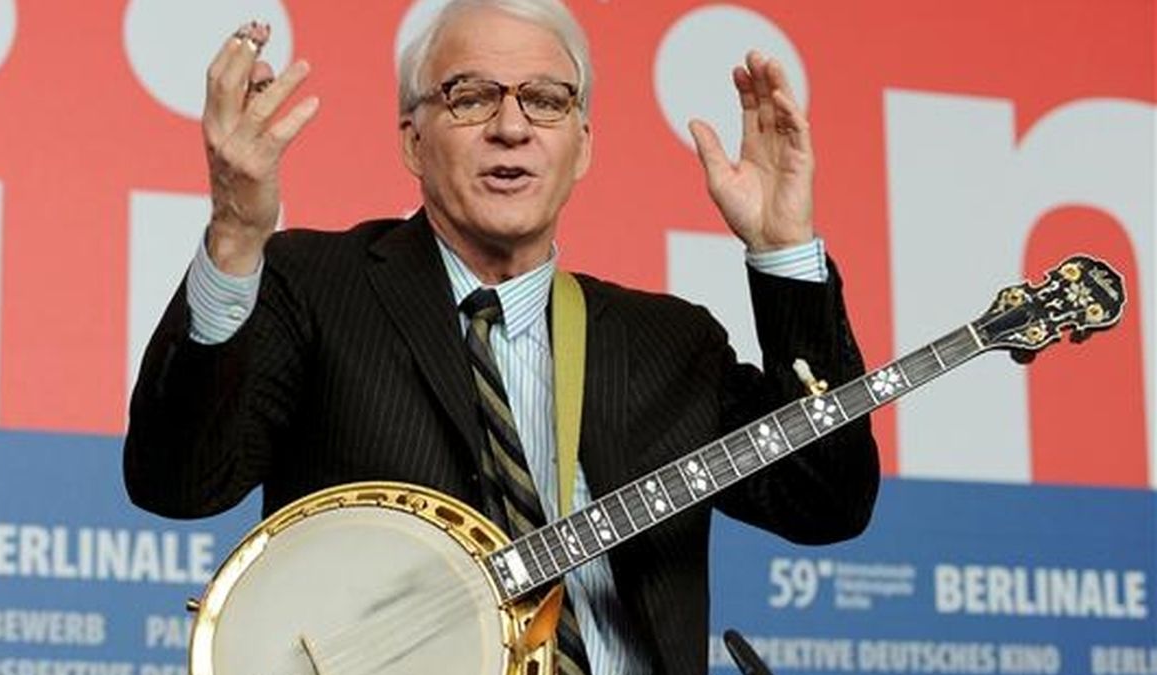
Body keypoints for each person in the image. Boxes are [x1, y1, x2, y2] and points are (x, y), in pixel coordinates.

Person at [123, 1, 879, 673]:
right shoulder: (315, 284)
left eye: (546, 100)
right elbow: (178, 480)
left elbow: (826, 499)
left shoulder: (669, 341)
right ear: (413, 142)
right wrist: (235, 234)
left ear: (580, 146)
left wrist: (783, 249)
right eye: (471, 96)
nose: (511, 126)